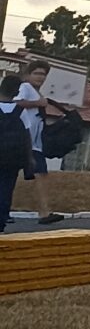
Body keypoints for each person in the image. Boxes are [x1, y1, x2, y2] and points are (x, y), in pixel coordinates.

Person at [13, 57, 63, 225]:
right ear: (28, 74)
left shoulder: (36, 91)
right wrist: (38, 103)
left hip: (35, 143)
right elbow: (16, 102)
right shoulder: (25, 87)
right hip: (24, 140)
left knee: (41, 175)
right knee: (37, 174)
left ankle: (44, 211)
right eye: (36, 73)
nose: (40, 77)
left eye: (43, 74)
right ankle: (44, 211)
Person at [0, 73, 34, 235]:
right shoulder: (20, 111)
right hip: (12, 159)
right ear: (16, 92)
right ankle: (1, 220)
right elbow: (27, 137)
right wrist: (29, 159)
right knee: (6, 189)